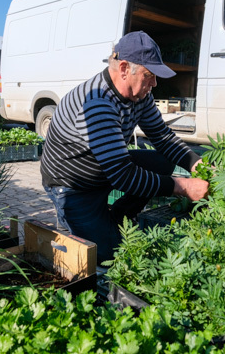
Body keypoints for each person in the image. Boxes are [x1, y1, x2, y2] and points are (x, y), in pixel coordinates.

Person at [41, 31, 210, 264]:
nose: (154, 83)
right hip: (73, 185)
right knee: (108, 257)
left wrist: (195, 163)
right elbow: (122, 175)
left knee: (162, 162)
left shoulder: (139, 96)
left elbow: (161, 136)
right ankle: (99, 226)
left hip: (102, 168)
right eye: (149, 75)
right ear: (123, 69)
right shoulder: (97, 102)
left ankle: (119, 216)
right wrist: (182, 186)